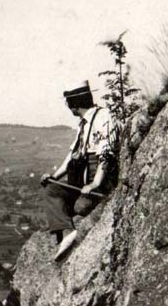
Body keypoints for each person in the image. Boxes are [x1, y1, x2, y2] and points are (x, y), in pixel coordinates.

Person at [40, 81, 118, 260]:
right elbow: (73, 155)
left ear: (74, 104)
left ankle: (69, 226)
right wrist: (54, 176)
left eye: (68, 102)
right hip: (81, 180)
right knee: (51, 190)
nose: (68, 107)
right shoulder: (83, 124)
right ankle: (68, 234)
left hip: (98, 179)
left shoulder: (102, 117)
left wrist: (95, 183)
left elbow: (106, 154)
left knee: (79, 207)